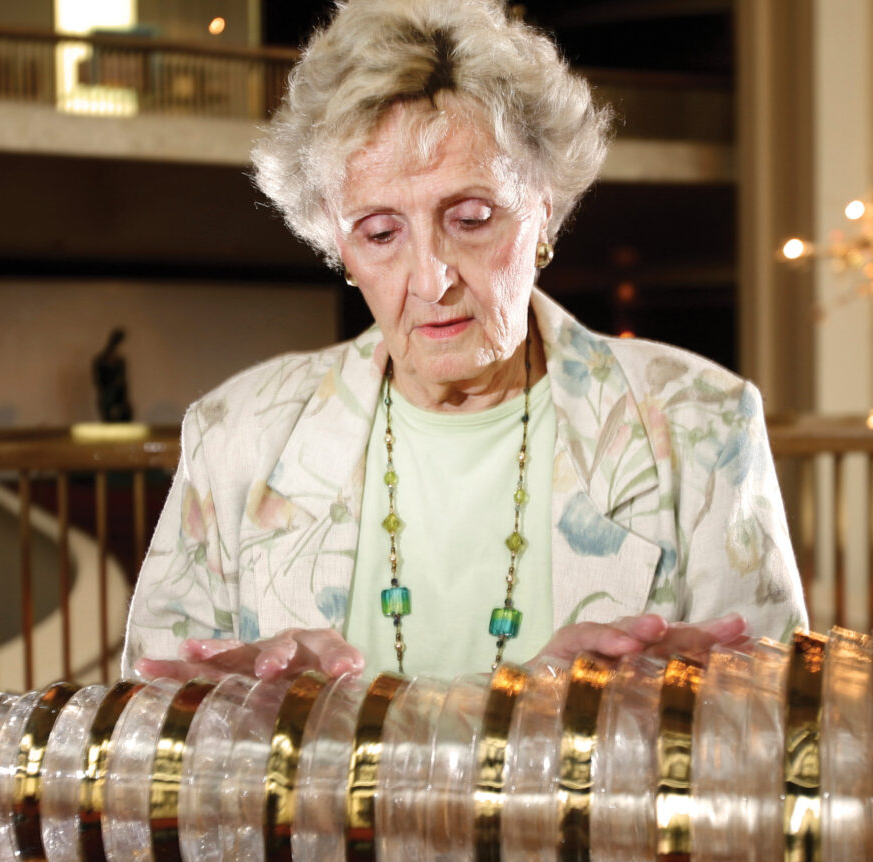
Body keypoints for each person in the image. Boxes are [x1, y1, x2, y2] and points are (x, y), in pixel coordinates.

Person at [124, 0, 806, 684]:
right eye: (381, 234)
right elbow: (136, 739)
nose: (431, 278)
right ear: (337, 243)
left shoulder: (702, 421)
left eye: (472, 219)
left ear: (543, 208)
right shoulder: (232, 436)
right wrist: (232, 723)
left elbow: (777, 740)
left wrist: (645, 719)